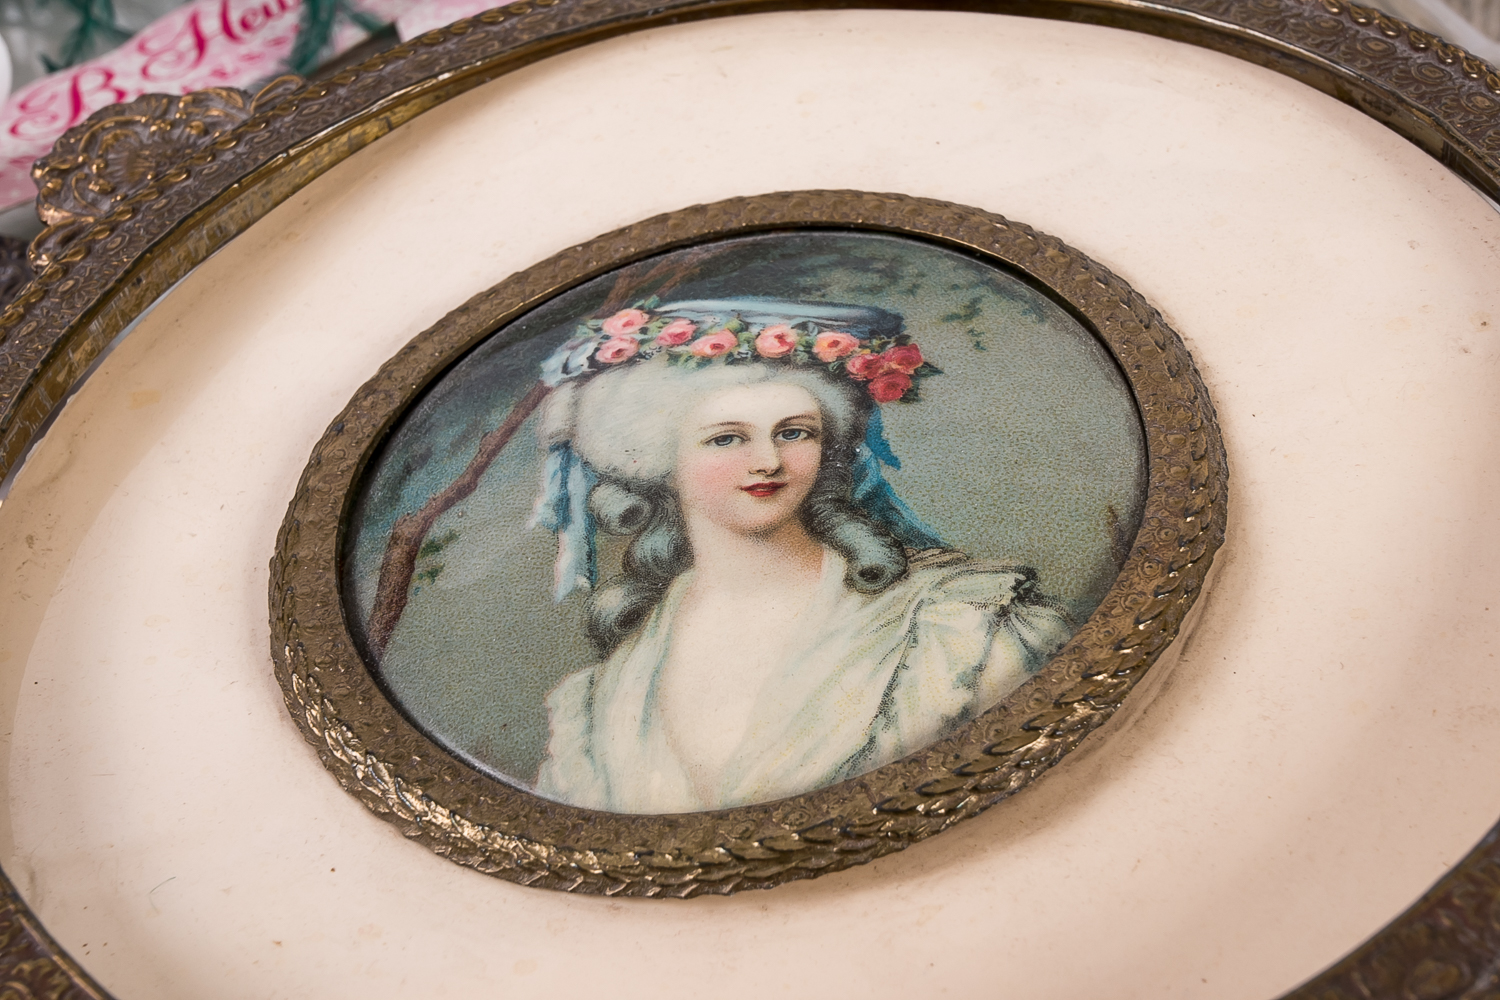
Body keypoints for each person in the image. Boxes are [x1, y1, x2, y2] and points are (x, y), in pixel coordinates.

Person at [527, 298, 1072, 814]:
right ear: (659, 461)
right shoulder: (599, 700)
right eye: (725, 439)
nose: (768, 460)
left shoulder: (954, 625)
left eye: (794, 433)